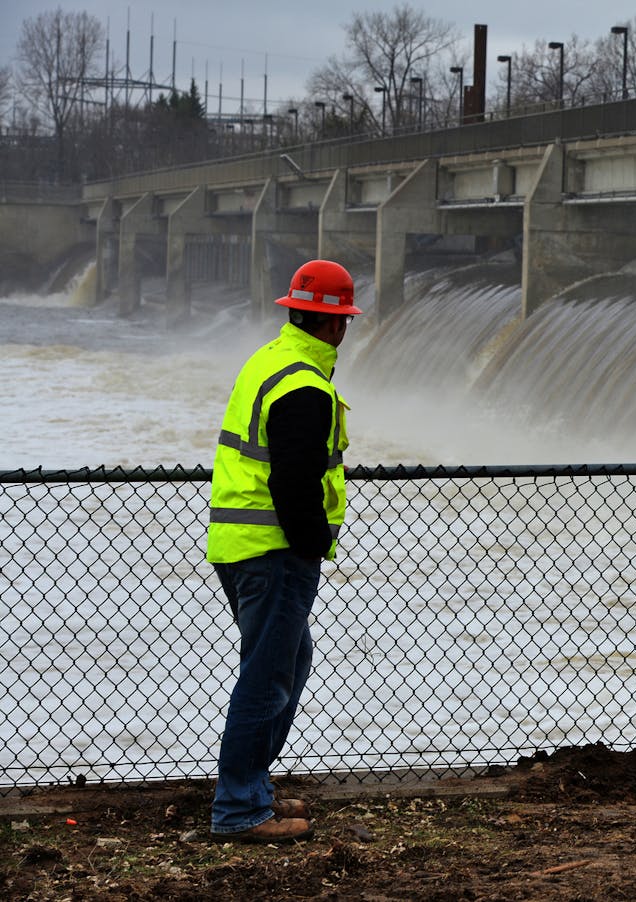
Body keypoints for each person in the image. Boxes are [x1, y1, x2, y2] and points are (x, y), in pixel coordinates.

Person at [206, 259, 362, 843]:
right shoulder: (305, 386)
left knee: (287, 663)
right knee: (268, 677)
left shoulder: (270, 360)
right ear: (336, 324)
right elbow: (294, 486)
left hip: (240, 541)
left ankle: (252, 786)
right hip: (274, 550)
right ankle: (240, 809)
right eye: (345, 319)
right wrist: (315, 544)